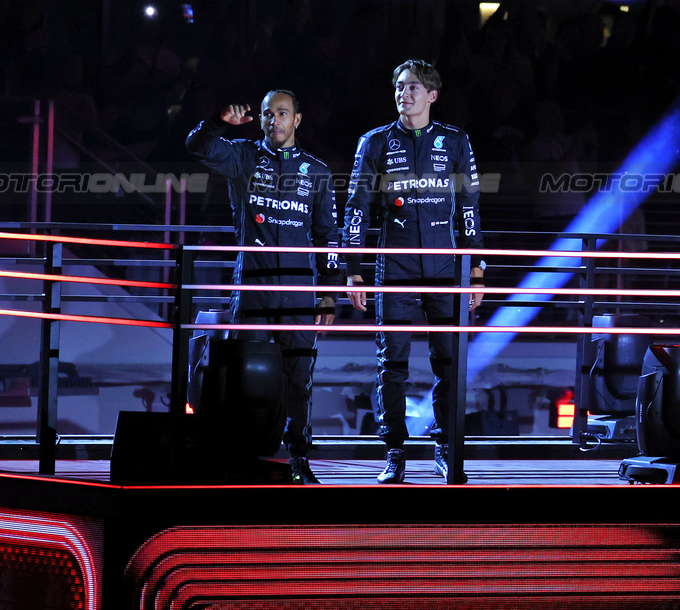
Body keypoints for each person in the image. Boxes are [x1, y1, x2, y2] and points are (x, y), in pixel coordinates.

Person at [186, 89, 340, 484]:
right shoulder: (243, 157)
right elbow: (196, 145)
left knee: (298, 378)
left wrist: (328, 291)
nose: (275, 121)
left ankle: (298, 459)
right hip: (251, 287)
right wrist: (220, 120)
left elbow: (328, 236)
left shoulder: (317, 172)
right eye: (268, 114)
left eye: (283, 113)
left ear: (297, 120)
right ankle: (244, 458)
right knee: (245, 377)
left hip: (299, 294)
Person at [344, 59, 484, 484]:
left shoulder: (456, 141)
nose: (405, 94)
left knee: (448, 362)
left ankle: (446, 448)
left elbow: (470, 208)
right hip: (396, 267)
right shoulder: (374, 142)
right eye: (400, 87)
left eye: (414, 88)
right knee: (393, 364)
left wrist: (476, 267)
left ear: (433, 95)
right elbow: (357, 208)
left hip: (446, 268)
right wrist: (353, 269)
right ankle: (395, 453)